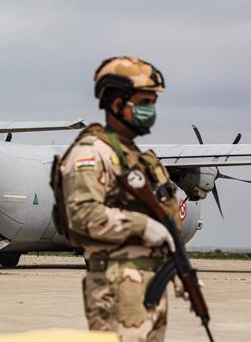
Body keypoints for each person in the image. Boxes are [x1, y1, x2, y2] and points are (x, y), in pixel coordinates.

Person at [59, 56, 182, 342]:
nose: (151, 110)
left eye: (153, 102)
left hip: (149, 289)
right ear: (116, 104)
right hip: (116, 293)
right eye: (144, 102)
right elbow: (81, 215)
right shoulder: (90, 153)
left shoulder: (143, 160)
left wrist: (176, 268)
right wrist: (141, 225)